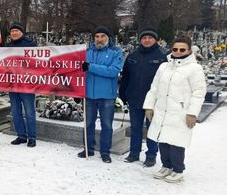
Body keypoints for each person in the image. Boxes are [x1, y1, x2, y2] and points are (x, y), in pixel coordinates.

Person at [143, 35, 206, 183]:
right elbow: (154, 88)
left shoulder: (194, 68)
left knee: (176, 142)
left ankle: (178, 169)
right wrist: (149, 106)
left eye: (182, 49)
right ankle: (166, 165)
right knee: (162, 139)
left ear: (189, 51)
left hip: (180, 111)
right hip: (162, 109)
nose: (178, 52)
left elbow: (199, 92)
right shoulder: (164, 66)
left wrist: (192, 113)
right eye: (175, 49)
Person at [119, 28, 167, 167]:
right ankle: (134, 153)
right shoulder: (133, 55)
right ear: (140, 40)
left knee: (152, 128)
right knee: (135, 127)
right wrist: (123, 94)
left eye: (150, 38)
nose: (147, 40)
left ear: (155, 39)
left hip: (154, 101)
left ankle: (151, 155)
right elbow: (126, 77)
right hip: (135, 97)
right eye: (144, 38)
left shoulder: (163, 55)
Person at [78, 26, 123, 163]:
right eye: (97, 36)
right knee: (89, 123)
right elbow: (78, 71)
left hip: (106, 95)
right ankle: (88, 148)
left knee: (107, 125)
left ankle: (105, 151)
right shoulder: (87, 52)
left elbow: (113, 71)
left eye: (102, 36)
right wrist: (77, 90)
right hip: (89, 95)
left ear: (108, 38)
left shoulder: (116, 52)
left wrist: (91, 67)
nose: (99, 39)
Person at [6, 22, 37, 148]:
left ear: (22, 32)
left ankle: (32, 137)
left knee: (29, 112)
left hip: (27, 85)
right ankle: (21, 136)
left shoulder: (31, 45)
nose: (14, 33)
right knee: (16, 111)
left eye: (16, 31)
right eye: (12, 31)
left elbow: (37, 64)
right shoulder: (7, 46)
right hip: (12, 84)